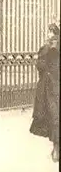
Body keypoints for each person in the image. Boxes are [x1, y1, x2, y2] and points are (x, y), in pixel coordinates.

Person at [30, 23, 60, 162]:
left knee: (54, 118)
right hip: (52, 89)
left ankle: (56, 150)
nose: (50, 35)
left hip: (52, 89)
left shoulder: (48, 48)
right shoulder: (47, 48)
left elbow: (40, 66)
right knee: (54, 118)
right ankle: (56, 149)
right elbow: (40, 66)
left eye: (52, 32)